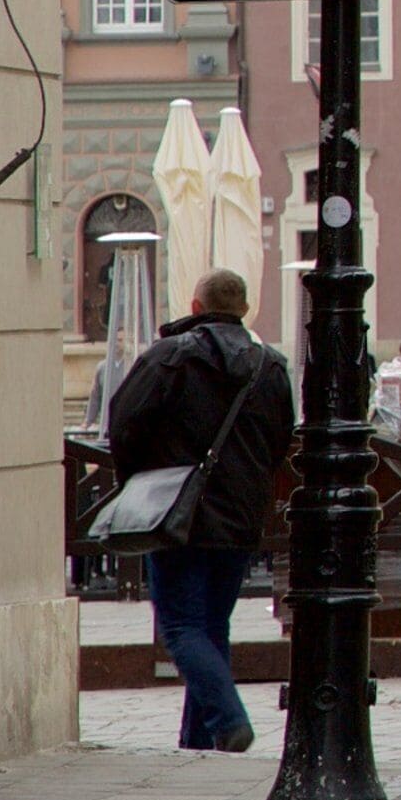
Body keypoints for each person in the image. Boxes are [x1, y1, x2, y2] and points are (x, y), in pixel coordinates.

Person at [106, 270, 294, 753]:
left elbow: (123, 425)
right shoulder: (270, 366)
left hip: (175, 510)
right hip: (240, 515)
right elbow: (281, 441)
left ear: (194, 306)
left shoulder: (169, 357)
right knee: (211, 626)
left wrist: (139, 480)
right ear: (244, 309)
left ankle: (228, 720)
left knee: (181, 626)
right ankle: (200, 740)